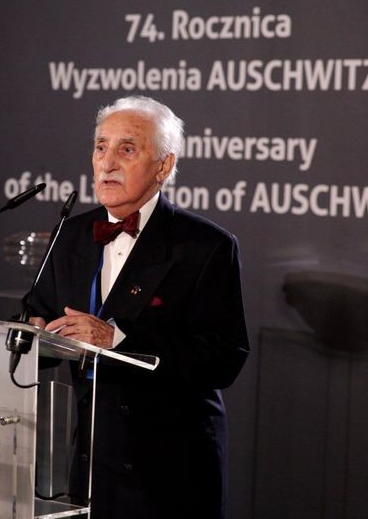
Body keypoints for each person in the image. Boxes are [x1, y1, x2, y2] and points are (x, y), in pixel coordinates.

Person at [27, 95, 250, 519]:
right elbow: (38, 315)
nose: (107, 163)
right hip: (90, 463)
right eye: (100, 147)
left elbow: (224, 359)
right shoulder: (71, 234)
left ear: (164, 166)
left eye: (126, 149)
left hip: (171, 471)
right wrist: (29, 335)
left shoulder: (206, 246)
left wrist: (119, 339)